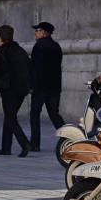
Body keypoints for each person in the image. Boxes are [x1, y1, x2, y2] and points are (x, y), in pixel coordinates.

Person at [0, 25, 31, 157]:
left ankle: (24, 142)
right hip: (22, 89)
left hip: (9, 89)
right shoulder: (20, 51)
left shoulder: (2, 51)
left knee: (10, 117)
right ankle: (6, 147)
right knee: (10, 115)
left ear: (0, 38)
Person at [28, 21, 66, 152]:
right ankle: (69, 138)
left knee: (34, 115)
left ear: (44, 32)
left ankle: (35, 144)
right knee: (54, 114)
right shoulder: (56, 46)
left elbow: (35, 68)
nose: (35, 33)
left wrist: (32, 85)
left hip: (40, 87)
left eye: (37, 30)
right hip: (54, 86)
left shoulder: (39, 46)